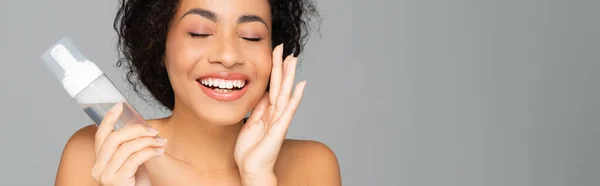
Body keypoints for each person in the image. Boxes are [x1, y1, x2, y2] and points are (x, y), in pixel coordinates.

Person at [54, 0, 341, 185]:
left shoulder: (311, 167)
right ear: (159, 47)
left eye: (251, 36)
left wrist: (258, 178)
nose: (228, 56)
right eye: (200, 33)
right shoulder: (94, 153)